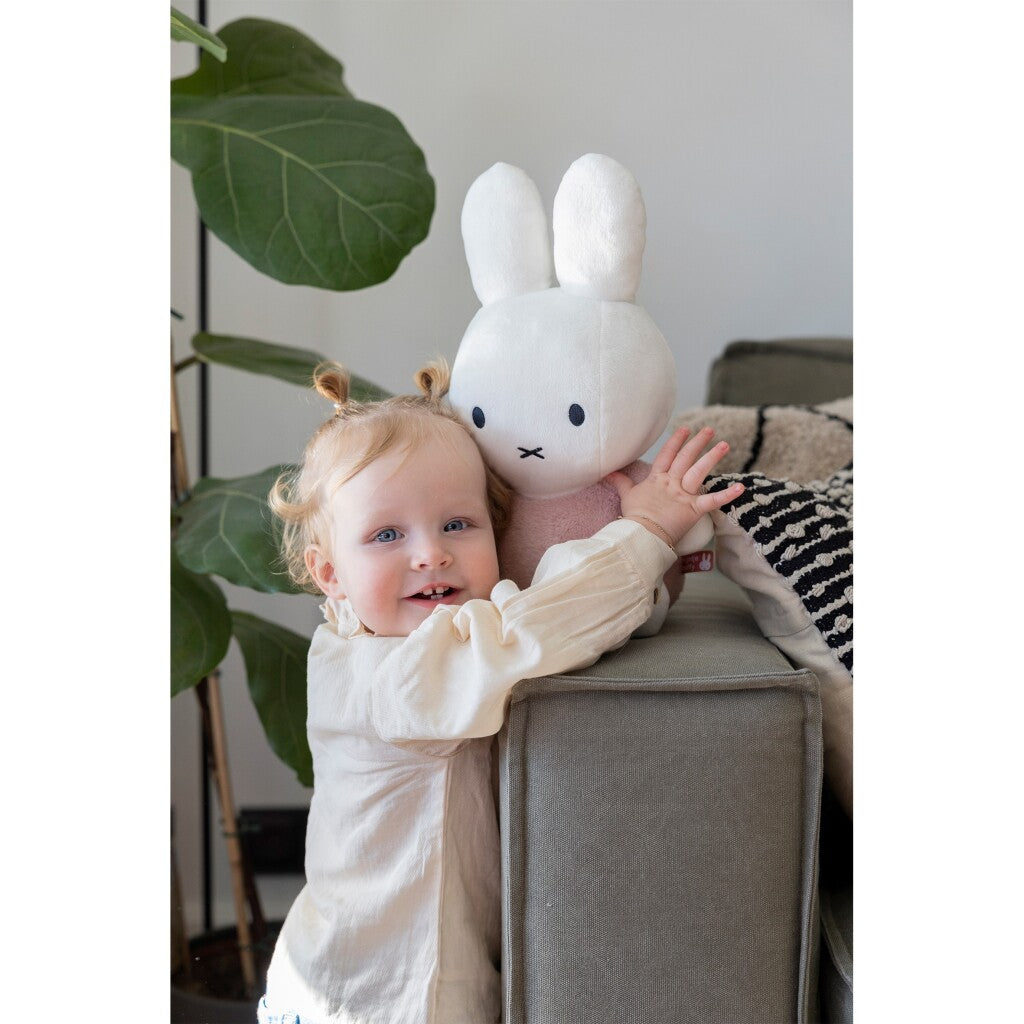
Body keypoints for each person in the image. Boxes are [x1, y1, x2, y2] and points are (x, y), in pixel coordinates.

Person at [257, 360, 744, 1024]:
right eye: (387, 535)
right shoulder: (389, 678)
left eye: (458, 524)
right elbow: (528, 630)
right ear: (329, 574)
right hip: (380, 998)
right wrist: (646, 534)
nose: (430, 554)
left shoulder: (390, 643)